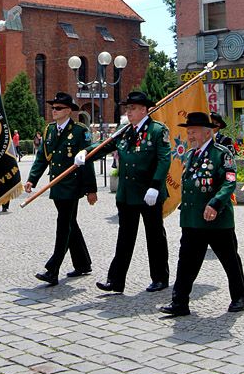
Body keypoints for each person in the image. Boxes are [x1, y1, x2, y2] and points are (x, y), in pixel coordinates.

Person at [161, 111, 244, 317]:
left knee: (229, 259)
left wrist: (215, 204)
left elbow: (229, 182)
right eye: (188, 132)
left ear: (207, 133)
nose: (189, 136)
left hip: (217, 220)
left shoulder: (221, 154)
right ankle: (180, 302)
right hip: (192, 220)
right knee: (186, 262)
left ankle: (239, 297)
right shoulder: (190, 155)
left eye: (193, 132)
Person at [91, 90, 170, 294]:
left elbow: (164, 160)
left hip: (148, 193)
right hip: (127, 195)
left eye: (133, 108)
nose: (129, 112)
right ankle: (116, 280)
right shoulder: (124, 132)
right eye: (127, 108)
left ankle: (160, 278)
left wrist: (155, 186)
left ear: (144, 110)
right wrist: (85, 154)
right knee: (125, 237)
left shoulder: (157, 130)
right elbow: (104, 147)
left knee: (155, 236)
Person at [24, 92, 97, 285]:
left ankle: (52, 269)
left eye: (57, 108)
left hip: (72, 186)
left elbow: (87, 161)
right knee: (70, 223)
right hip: (56, 184)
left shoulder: (80, 131)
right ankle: (83, 263)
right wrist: (32, 179)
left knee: (63, 225)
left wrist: (91, 189)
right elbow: (42, 157)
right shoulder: (49, 130)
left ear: (68, 111)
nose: (53, 111)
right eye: (52, 108)